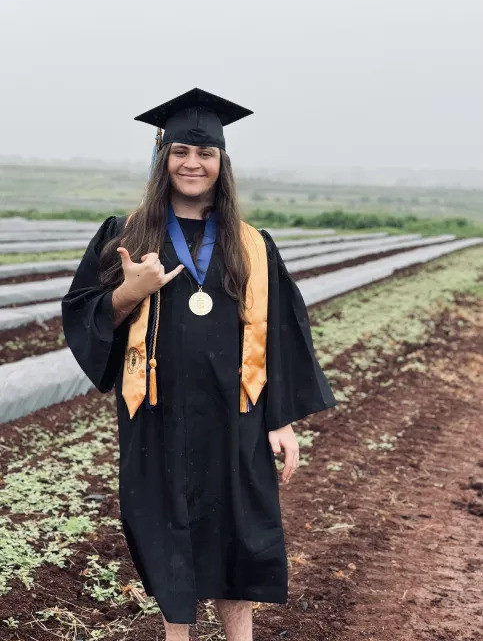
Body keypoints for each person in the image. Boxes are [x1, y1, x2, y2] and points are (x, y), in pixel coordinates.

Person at [61, 87, 338, 641]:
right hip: (155, 416)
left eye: (205, 153)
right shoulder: (127, 234)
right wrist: (128, 292)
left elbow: (281, 333)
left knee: (239, 535)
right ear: (163, 157)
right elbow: (82, 318)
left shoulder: (252, 245)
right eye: (182, 151)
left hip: (235, 417)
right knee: (166, 534)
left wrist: (280, 421)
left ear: (221, 163)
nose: (193, 163)